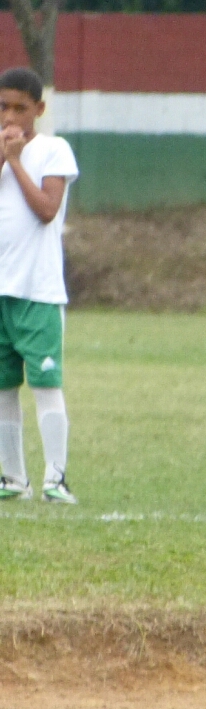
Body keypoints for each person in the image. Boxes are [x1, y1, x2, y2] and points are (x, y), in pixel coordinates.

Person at [0, 67, 78, 504]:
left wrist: (15, 161)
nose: (10, 117)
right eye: (2, 107)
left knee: (46, 384)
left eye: (20, 108)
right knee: (2, 387)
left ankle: (55, 478)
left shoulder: (53, 149)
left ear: (39, 109)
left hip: (38, 291)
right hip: (1, 291)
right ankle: (14, 477)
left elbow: (47, 210)